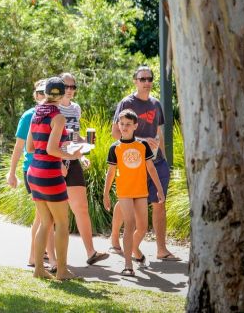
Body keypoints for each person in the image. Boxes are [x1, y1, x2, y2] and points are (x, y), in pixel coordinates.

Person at [110, 65, 180, 261]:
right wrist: (141, 140)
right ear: (135, 81)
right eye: (143, 79)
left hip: (156, 162)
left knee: (159, 202)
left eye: (150, 79)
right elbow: (116, 133)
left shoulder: (156, 104)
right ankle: (115, 238)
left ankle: (161, 249)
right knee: (127, 201)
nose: (147, 82)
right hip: (133, 163)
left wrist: (164, 159)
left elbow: (158, 134)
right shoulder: (126, 103)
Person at [26, 77, 83, 281]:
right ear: (61, 94)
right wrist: (73, 155)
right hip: (50, 174)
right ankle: (61, 271)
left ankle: (39, 269)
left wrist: (63, 148)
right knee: (62, 223)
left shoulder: (36, 114)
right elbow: (52, 149)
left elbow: (30, 148)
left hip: (34, 172)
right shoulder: (58, 117)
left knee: (45, 222)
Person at [103, 108, 165, 277]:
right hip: (124, 192)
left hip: (141, 192)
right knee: (129, 224)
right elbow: (110, 173)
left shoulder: (142, 145)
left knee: (143, 228)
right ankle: (128, 265)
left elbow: (151, 169)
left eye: (128, 125)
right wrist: (106, 193)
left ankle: (134, 249)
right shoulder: (115, 148)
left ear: (135, 126)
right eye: (122, 124)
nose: (124, 127)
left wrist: (159, 190)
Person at [57, 72, 109, 266]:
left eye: (73, 87)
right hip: (56, 162)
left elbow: (74, 136)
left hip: (74, 161)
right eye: (66, 86)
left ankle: (91, 252)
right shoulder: (52, 108)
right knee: (54, 212)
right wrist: (60, 161)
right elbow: (49, 139)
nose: (70, 90)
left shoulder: (76, 109)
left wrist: (84, 152)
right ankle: (48, 255)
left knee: (81, 208)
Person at [6, 79, 57, 272]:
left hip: (48, 168)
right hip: (34, 169)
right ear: (35, 95)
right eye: (39, 92)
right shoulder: (29, 115)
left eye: (47, 92)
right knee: (45, 216)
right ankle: (49, 259)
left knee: (42, 216)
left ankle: (35, 256)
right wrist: (11, 173)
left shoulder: (54, 114)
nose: (43, 96)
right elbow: (20, 146)